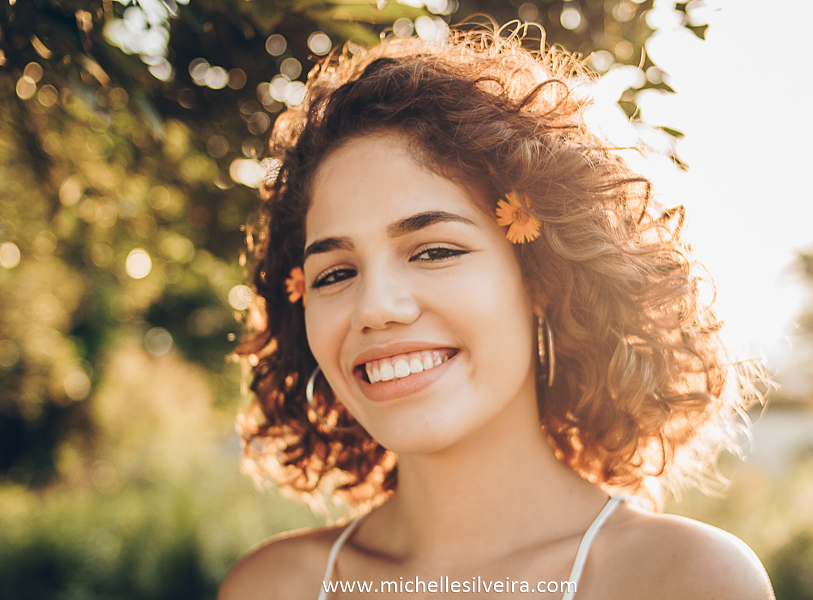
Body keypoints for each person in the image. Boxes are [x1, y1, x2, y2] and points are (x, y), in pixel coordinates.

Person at [218, 25, 775, 600]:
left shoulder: (687, 580)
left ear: (542, 279)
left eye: (434, 250)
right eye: (335, 273)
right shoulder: (270, 587)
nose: (376, 307)